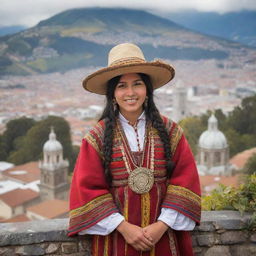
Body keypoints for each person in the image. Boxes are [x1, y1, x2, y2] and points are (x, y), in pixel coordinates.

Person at [68, 43, 201, 256]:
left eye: (137, 84)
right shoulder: (96, 138)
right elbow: (87, 190)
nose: (130, 93)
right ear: (112, 94)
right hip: (118, 242)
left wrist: (161, 225)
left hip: (165, 239)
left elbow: (186, 182)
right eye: (121, 86)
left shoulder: (170, 131)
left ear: (147, 89)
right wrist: (125, 228)